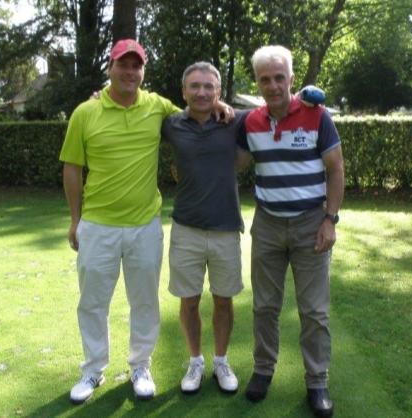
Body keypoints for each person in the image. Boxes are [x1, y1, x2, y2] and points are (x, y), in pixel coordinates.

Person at [59, 40, 232, 405]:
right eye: (123, 64)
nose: (130, 72)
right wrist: (75, 220)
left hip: (144, 226)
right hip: (97, 225)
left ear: (143, 72)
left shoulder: (157, 107)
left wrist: (218, 102)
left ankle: (140, 366)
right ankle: (93, 368)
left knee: (145, 302)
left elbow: (194, 109)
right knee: (92, 302)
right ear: (110, 68)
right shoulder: (84, 113)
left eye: (136, 66)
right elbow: (72, 169)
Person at [236, 45, 344, 418]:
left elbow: (336, 170)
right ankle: (263, 371)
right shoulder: (249, 122)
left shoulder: (317, 115)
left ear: (292, 80)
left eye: (279, 77)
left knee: (314, 310)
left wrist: (330, 219)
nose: (273, 85)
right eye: (265, 79)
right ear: (258, 82)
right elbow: (233, 162)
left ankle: (317, 382)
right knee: (264, 305)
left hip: (309, 223)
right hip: (266, 223)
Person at [160, 62, 248, 395]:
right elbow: (134, 106)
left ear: (219, 92)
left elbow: (274, 109)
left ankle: (221, 361)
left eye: (209, 87)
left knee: (224, 302)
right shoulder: (169, 124)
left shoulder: (234, 120)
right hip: (186, 229)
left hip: (226, 228)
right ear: (183, 92)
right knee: (189, 303)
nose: (201, 92)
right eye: (194, 86)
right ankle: (195, 362)